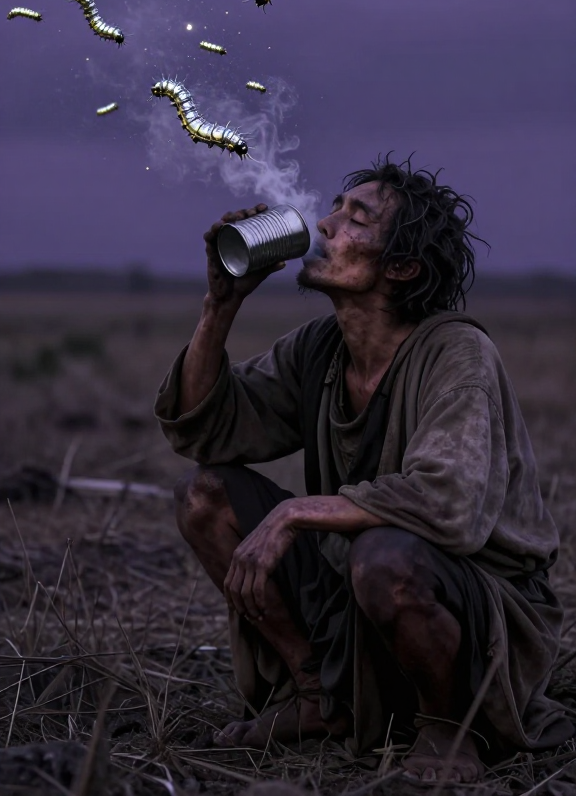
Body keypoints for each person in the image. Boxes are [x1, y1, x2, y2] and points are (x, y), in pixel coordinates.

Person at [155, 157, 572, 783]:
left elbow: (446, 504)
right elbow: (205, 428)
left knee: (384, 555)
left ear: (401, 267)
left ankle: (446, 726)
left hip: (479, 609)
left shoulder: (458, 353)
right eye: (335, 209)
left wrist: (295, 510)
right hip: (359, 586)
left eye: (358, 219)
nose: (325, 225)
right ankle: (316, 694)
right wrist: (220, 306)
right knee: (204, 497)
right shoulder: (319, 348)